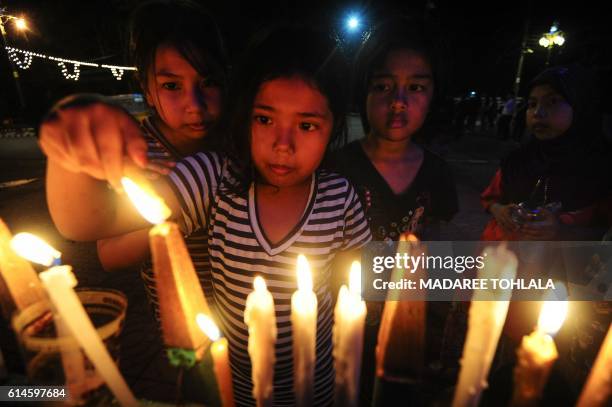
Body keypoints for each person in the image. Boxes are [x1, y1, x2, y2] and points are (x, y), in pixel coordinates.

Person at [40, 25, 371, 406]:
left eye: (307, 125)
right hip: (233, 388)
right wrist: (68, 148)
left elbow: (358, 284)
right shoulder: (214, 177)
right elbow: (84, 223)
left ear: (333, 130)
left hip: (320, 387)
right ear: (244, 113)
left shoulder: (339, 196)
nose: (283, 144)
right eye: (264, 119)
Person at [331, 17, 459, 405]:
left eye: (416, 87)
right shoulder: (336, 168)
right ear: (362, 93)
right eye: (383, 86)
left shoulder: (437, 172)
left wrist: (435, 330)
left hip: (407, 328)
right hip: (341, 326)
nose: (399, 101)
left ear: (434, 95)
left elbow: (437, 252)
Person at [93, 0, 228, 322]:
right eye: (171, 86)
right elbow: (109, 255)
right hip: (179, 314)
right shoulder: (136, 154)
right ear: (147, 90)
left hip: (245, 306)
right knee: (192, 372)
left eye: (208, 82)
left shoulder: (238, 139)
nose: (194, 105)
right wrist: (179, 219)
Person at [481, 65, 612, 242]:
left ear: (579, 106)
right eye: (532, 104)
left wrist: (562, 230)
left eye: (552, 102)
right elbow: (491, 198)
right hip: (504, 262)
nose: (538, 113)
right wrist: (499, 211)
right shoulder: (517, 160)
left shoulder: (600, 167)